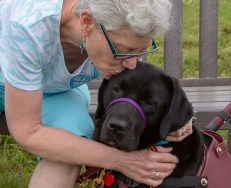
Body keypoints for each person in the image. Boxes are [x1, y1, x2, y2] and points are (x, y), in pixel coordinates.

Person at [0, 0, 193, 187]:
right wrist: (121, 160)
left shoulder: (119, 36)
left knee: (69, 144)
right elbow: (28, 131)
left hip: (56, 91)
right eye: (124, 50)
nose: (132, 64)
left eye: (140, 51)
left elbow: (144, 87)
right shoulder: (30, 26)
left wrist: (178, 116)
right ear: (86, 23)